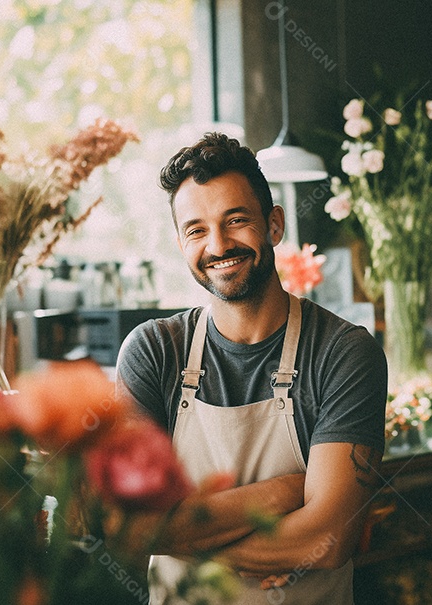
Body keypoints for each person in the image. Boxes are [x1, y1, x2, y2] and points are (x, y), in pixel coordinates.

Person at [115, 132, 388, 604]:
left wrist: (187, 539)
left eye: (236, 220)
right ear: (181, 242)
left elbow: (325, 541)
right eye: (196, 229)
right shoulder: (154, 352)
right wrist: (282, 495)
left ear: (274, 224)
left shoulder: (344, 352)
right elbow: (130, 528)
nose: (218, 245)